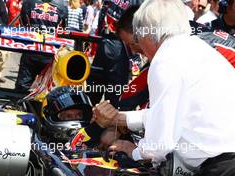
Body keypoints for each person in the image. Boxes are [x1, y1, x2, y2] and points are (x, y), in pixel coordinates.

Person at [92, 0, 235, 175]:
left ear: (149, 33)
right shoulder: (194, 47)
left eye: (136, 39)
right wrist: (119, 119)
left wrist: (134, 151)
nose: (137, 48)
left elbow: (159, 145)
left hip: (219, 166)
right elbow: (163, 113)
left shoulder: (165, 59)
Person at [86, 0, 144, 108]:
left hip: (121, 46)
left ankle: (112, 121)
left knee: (114, 97)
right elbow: (103, 11)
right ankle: (88, 118)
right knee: (93, 90)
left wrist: (135, 56)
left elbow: (140, 23)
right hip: (105, 42)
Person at [15, 0, 67, 91]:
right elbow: (63, 30)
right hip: (50, 52)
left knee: (23, 86)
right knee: (47, 90)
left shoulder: (28, 2)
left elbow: (22, 22)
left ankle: (19, 102)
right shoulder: (62, 5)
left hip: (31, 49)